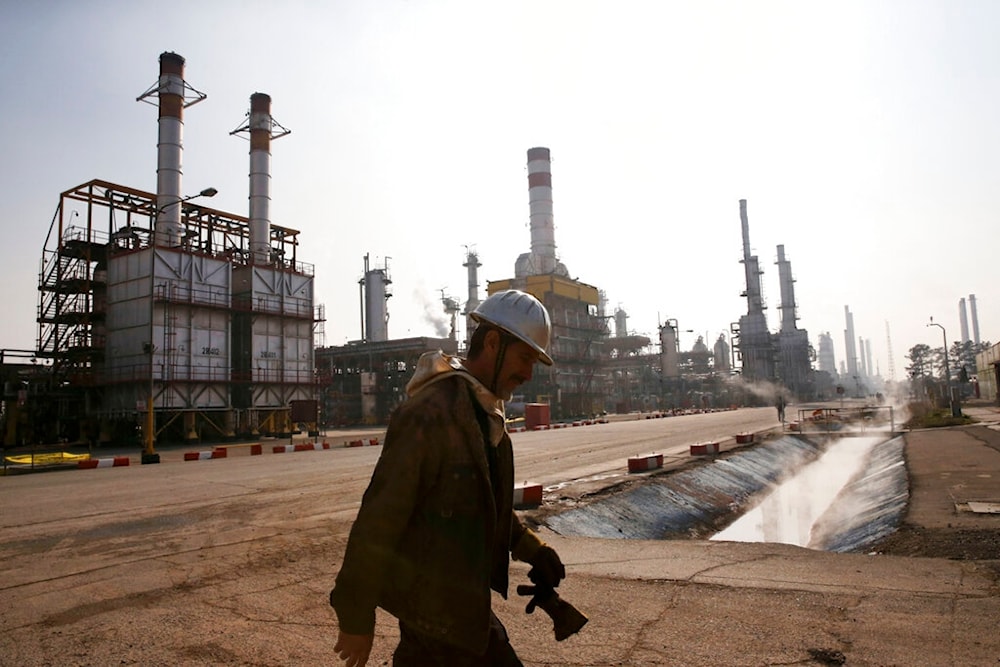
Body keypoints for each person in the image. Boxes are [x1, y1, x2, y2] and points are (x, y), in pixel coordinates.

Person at [329, 289, 567, 666]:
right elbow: (378, 520)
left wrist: (533, 550)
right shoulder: (430, 413)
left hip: (464, 615)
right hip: (432, 621)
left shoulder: (486, 414)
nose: (527, 374)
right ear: (492, 343)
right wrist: (356, 617)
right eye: (524, 358)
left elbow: (486, 507)